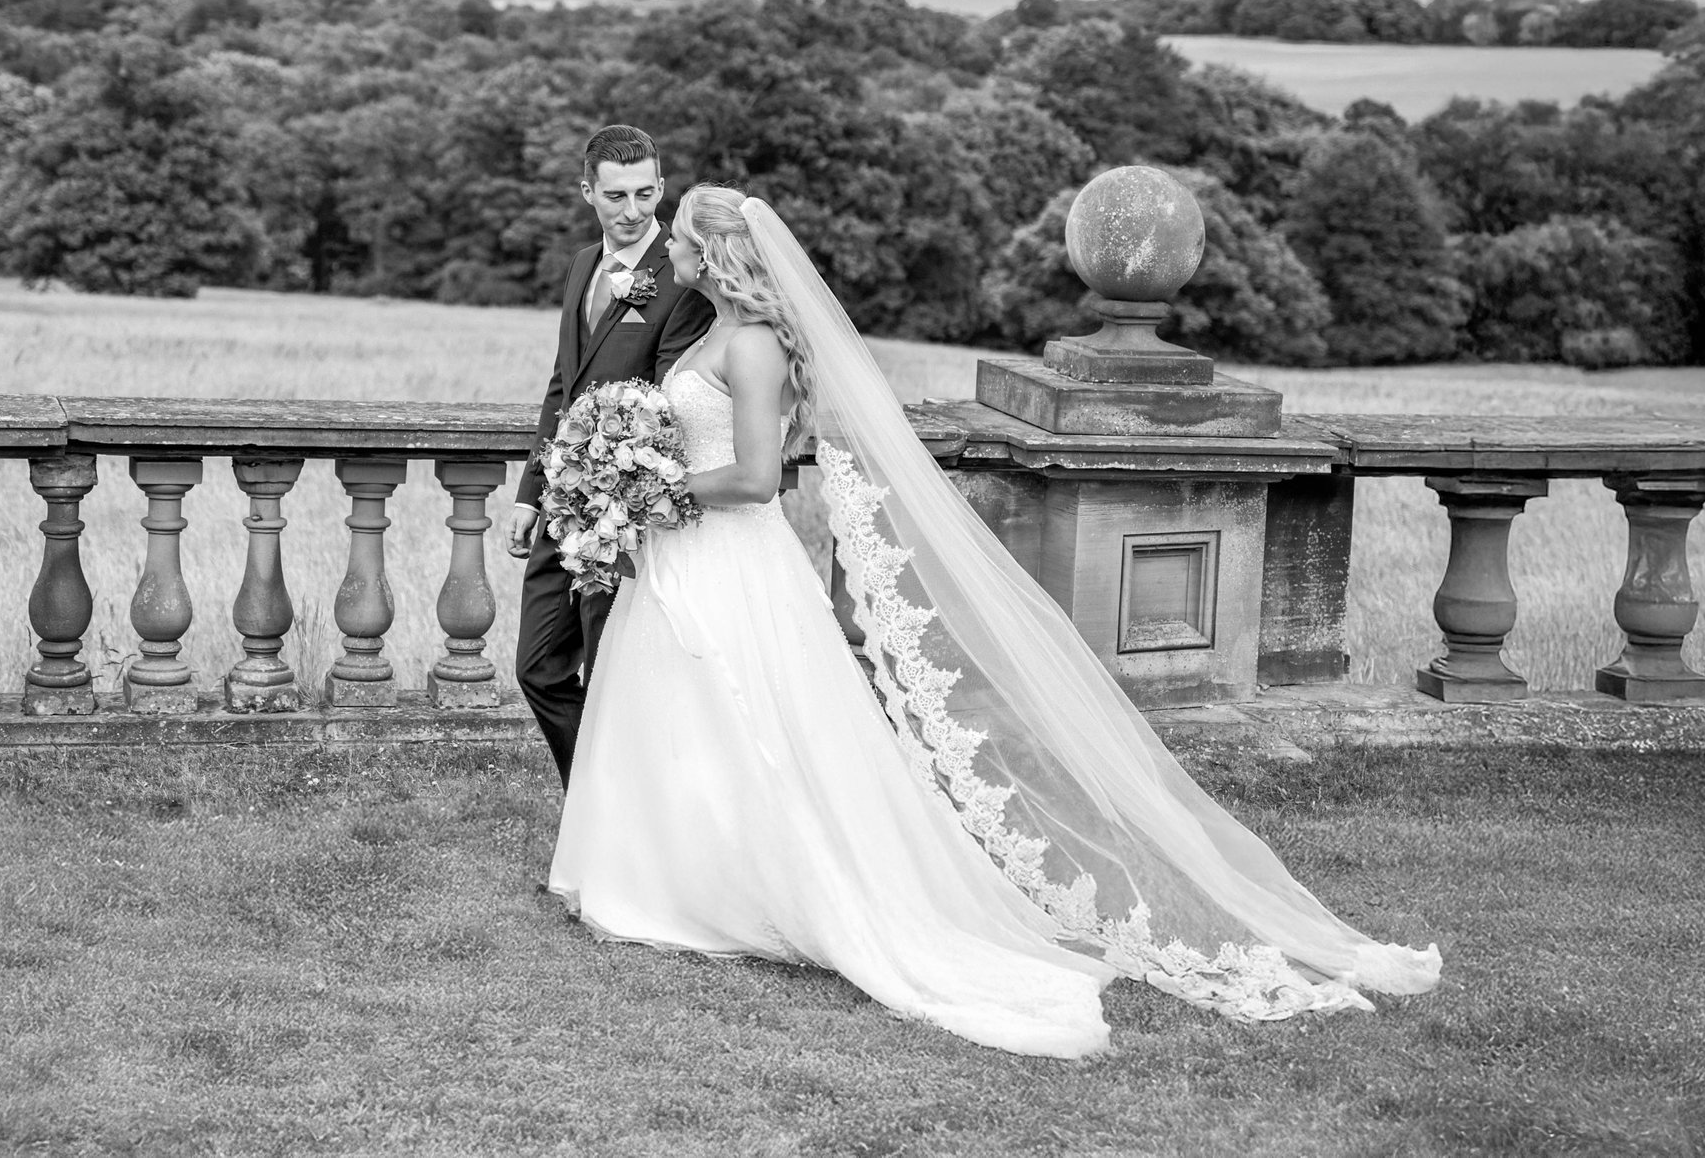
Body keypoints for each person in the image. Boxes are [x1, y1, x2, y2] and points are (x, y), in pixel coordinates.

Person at [548, 184, 1440, 1057]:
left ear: (710, 254)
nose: (663, 245)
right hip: (686, 556)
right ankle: (677, 876)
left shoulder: (750, 349)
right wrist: (631, 475)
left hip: (729, 556)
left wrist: (644, 487)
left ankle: (761, 889)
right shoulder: (714, 329)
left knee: (754, 725)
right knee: (694, 724)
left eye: (678, 240)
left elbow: (750, 477)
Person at [506, 125, 714, 787]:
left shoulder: (681, 282)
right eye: (616, 195)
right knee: (536, 668)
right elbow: (563, 387)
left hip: (623, 520)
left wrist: (617, 503)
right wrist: (530, 491)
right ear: (587, 190)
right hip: (561, 504)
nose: (633, 211)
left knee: (611, 670)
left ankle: (617, 826)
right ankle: (603, 799)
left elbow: (669, 409)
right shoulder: (579, 266)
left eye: (646, 193)